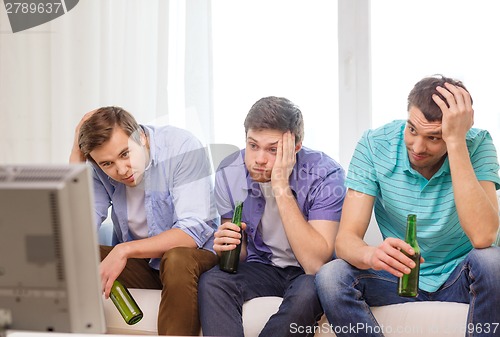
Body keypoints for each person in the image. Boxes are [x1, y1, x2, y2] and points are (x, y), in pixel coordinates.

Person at [315, 75, 500, 337]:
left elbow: (483, 236)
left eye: (434, 138)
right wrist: (371, 255)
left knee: (493, 262)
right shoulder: (374, 144)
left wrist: (456, 142)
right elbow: (346, 240)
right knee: (331, 276)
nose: (417, 146)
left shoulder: (477, 143)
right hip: (395, 276)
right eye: (412, 129)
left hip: (459, 276)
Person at [198, 96, 346, 337]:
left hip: (305, 273)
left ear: (295, 147)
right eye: (252, 145)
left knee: (310, 292)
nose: (258, 159)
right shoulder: (229, 171)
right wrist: (227, 246)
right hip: (262, 266)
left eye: (273, 150)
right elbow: (240, 254)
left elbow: (315, 264)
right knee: (213, 282)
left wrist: (280, 184)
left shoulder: (326, 175)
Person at [69, 106, 218, 336]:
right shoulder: (98, 168)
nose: (121, 170)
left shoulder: (182, 147)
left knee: (176, 257)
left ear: (141, 137)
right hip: (144, 263)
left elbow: (192, 233)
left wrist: (123, 250)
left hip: (194, 260)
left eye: (125, 154)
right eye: (107, 164)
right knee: (72, 257)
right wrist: (77, 159)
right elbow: (76, 232)